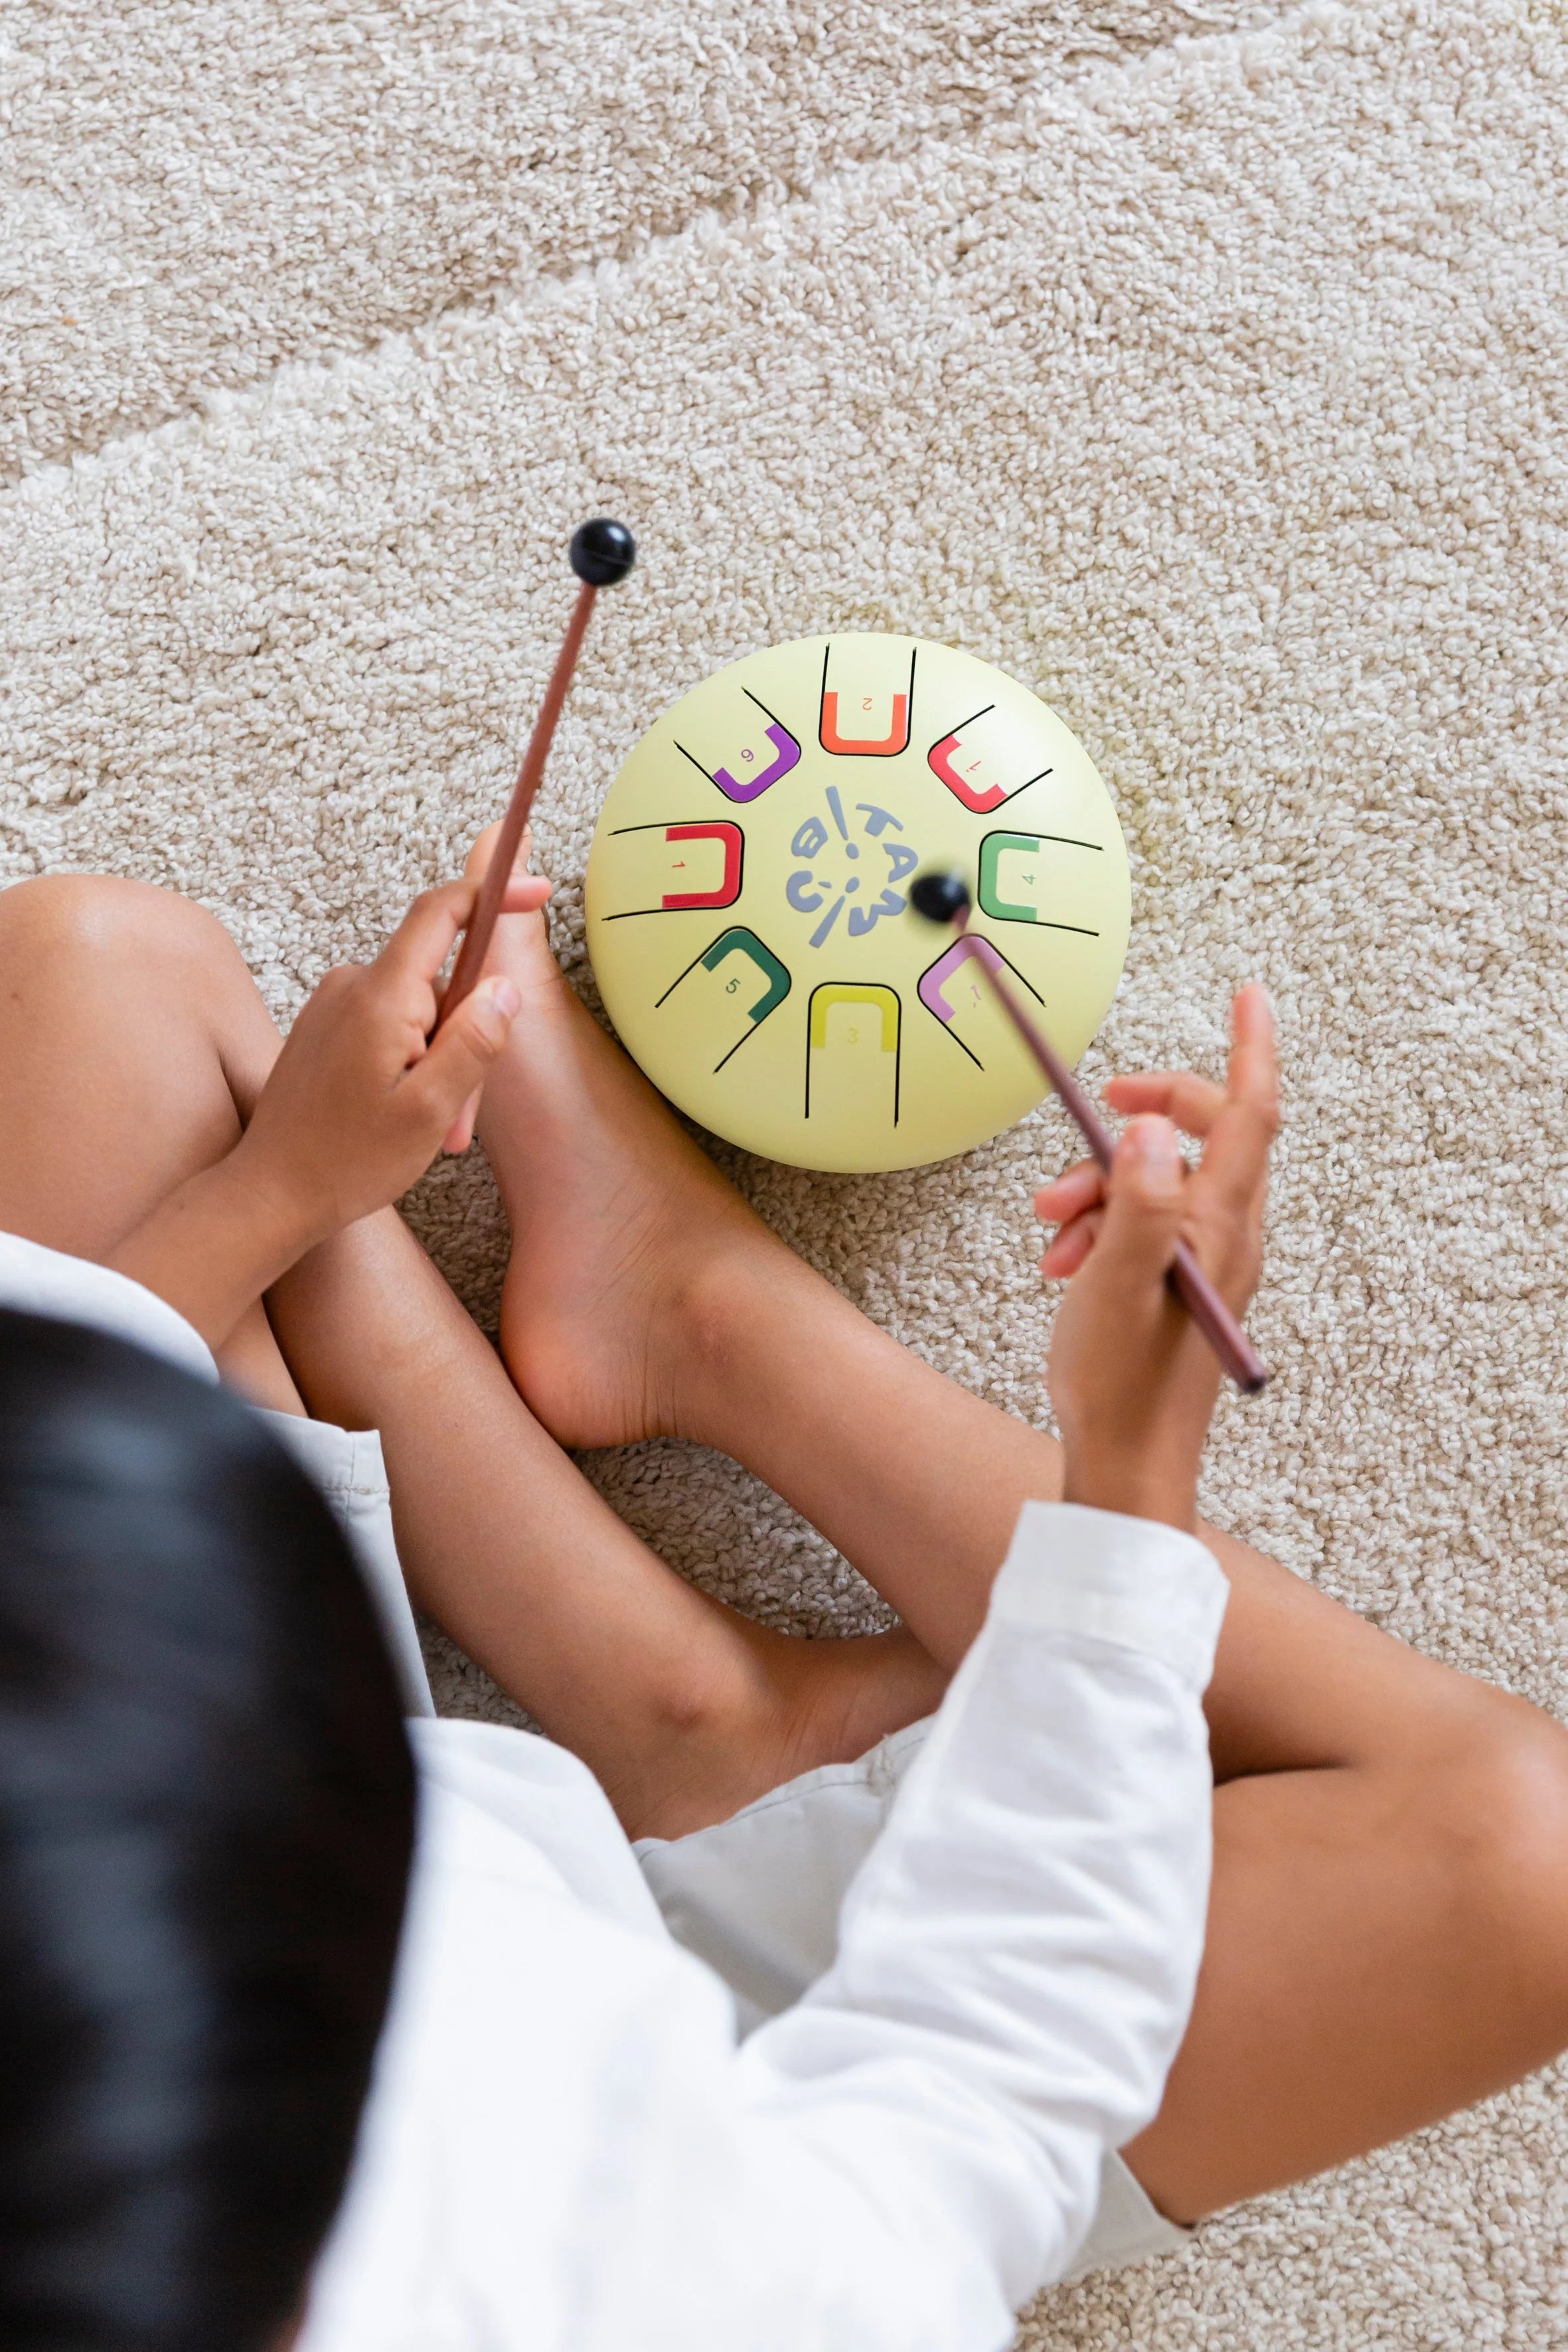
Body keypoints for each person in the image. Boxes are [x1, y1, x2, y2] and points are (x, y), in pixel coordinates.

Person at [0, 840, 1563, 2347]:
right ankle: (704, 1317)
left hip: (446, 1882)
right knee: (1516, 1853)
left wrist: (284, 1188)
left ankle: (686, 1697)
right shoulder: (722, 2292)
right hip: (716, 2079)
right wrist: (1123, 1469)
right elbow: (983, 2064)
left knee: (91, 976)